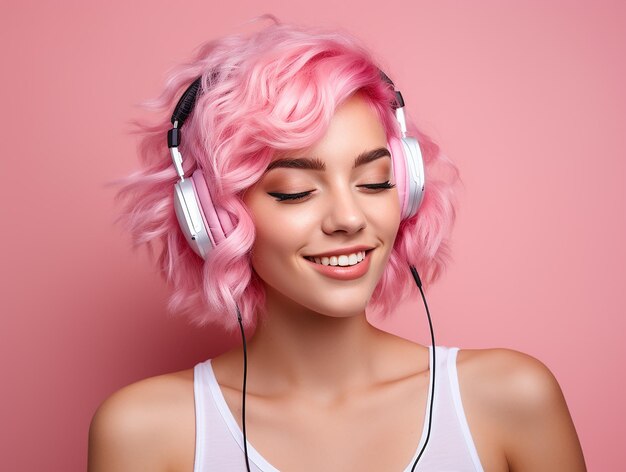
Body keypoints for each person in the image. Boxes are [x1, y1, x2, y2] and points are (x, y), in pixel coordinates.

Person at [88, 18, 586, 472]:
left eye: (373, 182)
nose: (349, 219)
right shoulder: (145, 433)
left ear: (408, 189)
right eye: (295, 191)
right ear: (211, 218)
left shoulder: (511, 398)